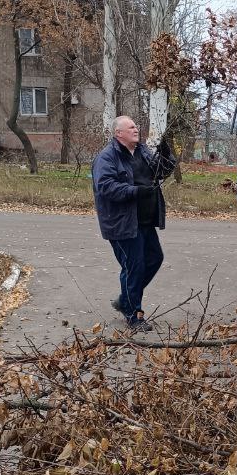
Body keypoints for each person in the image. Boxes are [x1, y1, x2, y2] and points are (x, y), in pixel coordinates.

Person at [92, 116, 177, 331]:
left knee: (155, 259)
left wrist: (167, 153)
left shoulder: (142, 151)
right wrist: (136, 191)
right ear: (118, 133)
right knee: (134, 267)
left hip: (145, 220)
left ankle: (125, 300)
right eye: (131, 127)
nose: (136, 129)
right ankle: (133, 315)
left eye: (136, 126)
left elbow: (160, 172)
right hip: (122, 223)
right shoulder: (107, 157)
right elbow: (106, 187)